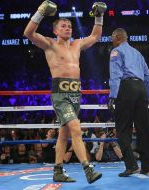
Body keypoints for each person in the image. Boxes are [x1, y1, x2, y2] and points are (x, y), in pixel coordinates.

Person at [24, 0, 107, 183]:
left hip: (75, 94)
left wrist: (99, 16)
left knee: (64, 134)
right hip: (60, 95)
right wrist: (40, 12)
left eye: (69, 25)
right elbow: (28, 33)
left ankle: (58, 171)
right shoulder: (49, 44)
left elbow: (95, 36)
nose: (68, 28)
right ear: (55, 31)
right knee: (76, 128)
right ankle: (88, 169)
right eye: (63, 26)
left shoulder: (77, 44)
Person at [108, 28, 149, 176]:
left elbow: (116, 73)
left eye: (112, 38)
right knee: (143, 129)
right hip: (140, 89)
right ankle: (147, 167)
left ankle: (131, 165)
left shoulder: (116, 51)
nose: (112, 41)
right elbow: (148, 76)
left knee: (123, 129)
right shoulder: (137, 53)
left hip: (126, 88)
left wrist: (113, 95)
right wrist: (145, 95)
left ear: (118, 37)